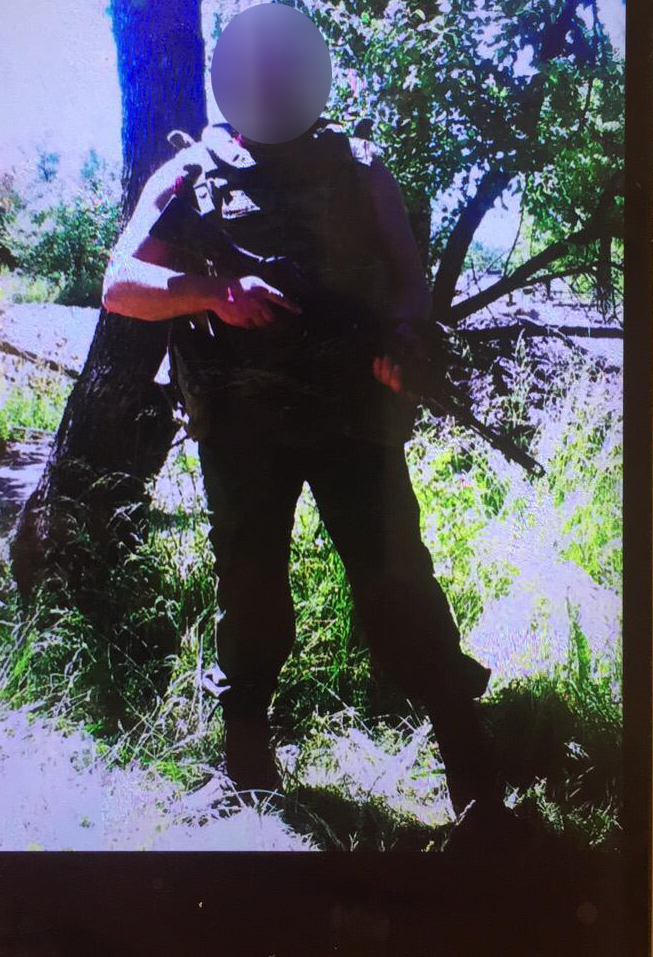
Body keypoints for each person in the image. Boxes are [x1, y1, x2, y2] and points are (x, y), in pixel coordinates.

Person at [102, 110, 500, 819]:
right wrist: (217, 294)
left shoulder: (360, 166)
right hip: (241, 428)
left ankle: (478, 791)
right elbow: (120, 285)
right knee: (250, 594)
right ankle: (247, 774)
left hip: (354, 421)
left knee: (401, 589)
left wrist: (402, 340)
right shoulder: (190, 171)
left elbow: (411, 286)